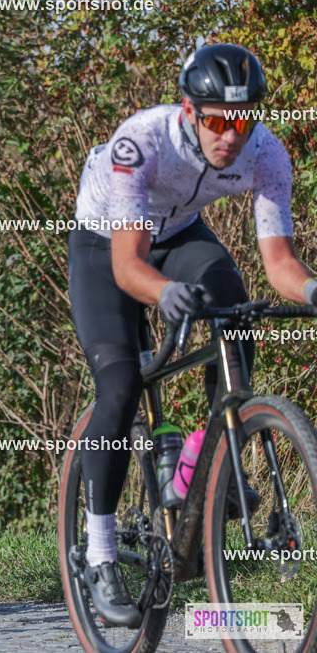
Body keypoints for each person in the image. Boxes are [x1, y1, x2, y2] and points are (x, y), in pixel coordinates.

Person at [67, 44, 317, 627]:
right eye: (216, 119)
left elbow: (280, 263)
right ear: (189, 110)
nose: (230, 134)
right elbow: (130, 266)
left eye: (243, 117)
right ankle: (100, 553)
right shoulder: (142, 141)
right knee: (122, 383)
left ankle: (208, 465)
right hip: (107, 244)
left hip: (179, 233)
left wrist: (311, 291)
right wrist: (161, 293)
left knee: (234, 308)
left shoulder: (267, 154)